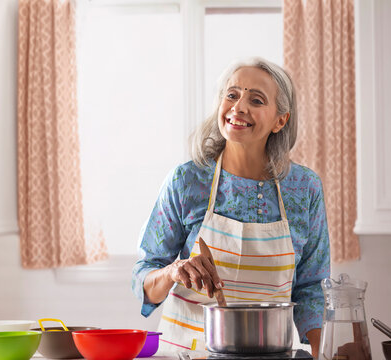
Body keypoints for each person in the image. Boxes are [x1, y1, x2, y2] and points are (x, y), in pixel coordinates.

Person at [132, 57, 330, 357]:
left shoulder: (304, 189)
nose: (239, 107)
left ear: (281, 120)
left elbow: (311, 290)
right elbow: (143, 280)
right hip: (188, 352)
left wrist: (322, 354)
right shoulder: (187, 180)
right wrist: (174, 271)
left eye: (256, 99)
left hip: (271, 353)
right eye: (232, 94)